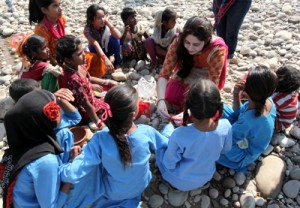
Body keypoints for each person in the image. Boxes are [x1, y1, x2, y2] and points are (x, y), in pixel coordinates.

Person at [60, 84, 169, 207]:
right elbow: (167, 145)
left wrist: (70, 162)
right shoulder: (147, 132)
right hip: (140, 186)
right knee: (168, 128)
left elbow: (73, 173)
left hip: (113, 193)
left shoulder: (100, 139)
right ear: (133, 115)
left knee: (94, 165)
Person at [156, 79, 232, 191]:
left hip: (177, 180)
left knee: (162, 143)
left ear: (189, 110)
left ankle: (168, 125)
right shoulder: (226, 126)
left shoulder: (180, 134)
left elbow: (169, 164)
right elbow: (225, 150)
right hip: (205, 177)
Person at [0, 90, 72, 207]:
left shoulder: (20, 144)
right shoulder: (46, 161)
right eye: (56, 108)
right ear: (43, 120)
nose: (59, 110)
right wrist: (70, 178)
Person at [156, 16, 228, 118]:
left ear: (207, 40)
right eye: (187, 42)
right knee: (171, 95)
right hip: (186, 68)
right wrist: (160, 101)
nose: (190, 48)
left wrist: (190, 112)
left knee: (197, 105)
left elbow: (212, 83)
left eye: (196, 44)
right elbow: (165, 73)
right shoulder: (178, 42)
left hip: (205, 74)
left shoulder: (217, 49)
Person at [217, 66, 277, 172]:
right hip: (249, 136)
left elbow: (228, 140)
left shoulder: (249, 120)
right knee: (218, 107)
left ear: (247, 90)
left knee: (211, 142)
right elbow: (239, 113)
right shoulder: (268, 100)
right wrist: (236, 95)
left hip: (243, 155)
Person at [56, 35, 118, 128]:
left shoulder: (78, 66)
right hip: (85, 111)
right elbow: (86, 105)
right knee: (115, 107)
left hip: (90, 98)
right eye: (80, 54)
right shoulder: (72, 79)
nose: (84, 54)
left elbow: (88, 78)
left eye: (83, 51)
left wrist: (106, 82)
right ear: (68, 60)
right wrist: (99, 123)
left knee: (114, 90)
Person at [84, 4, 122, 74]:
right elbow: (95, 44)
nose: (102, 20)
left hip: (106, 48)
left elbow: (118, 36)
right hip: (96, 51)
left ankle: (117, 63)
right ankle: (103, 62)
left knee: (115, 39)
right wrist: (105, 59)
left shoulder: (105, 25)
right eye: (99, 18)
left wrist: (108, 23)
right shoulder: (87, 30)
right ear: (92, 20)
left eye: (103, 17)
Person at [29, 0, 66, 66]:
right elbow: (47, 52)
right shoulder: (41, 30)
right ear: (44, 10)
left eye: (60, 4)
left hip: (62, 53)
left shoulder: (61, 19)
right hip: (53, 59)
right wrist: (57, 64)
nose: (61, 9)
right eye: (55, 6)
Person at [272, 65, 300, 132]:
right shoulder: (289, 90)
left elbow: (264, 106)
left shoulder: (280, 99)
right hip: (284, 113)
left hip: (280, 123)